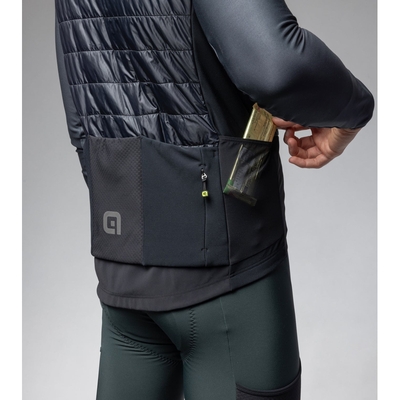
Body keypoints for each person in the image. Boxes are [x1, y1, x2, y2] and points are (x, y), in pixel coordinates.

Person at [54, 1, 374, 399]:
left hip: (123, 258)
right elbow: (276, 65)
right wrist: (355, 108)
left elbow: (80, 101)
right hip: (229, 274)